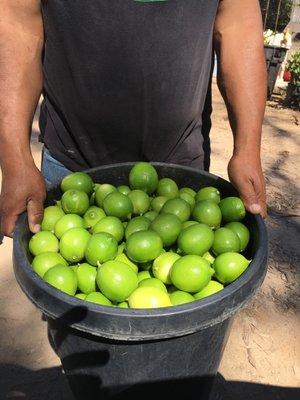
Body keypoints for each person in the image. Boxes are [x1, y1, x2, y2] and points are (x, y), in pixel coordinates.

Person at [0, 0, 267, 238]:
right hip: (72, 173)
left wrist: (247, 149)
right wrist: (16, 160)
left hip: (181, 180)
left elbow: (237, 22)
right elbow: (17, 22)